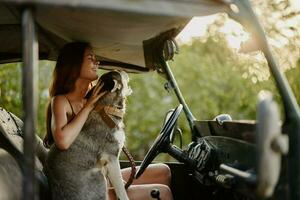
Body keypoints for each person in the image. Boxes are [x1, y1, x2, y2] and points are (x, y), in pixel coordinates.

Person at [43, 42, 173, 200]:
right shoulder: (61, 101)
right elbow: (62, 141)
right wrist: (88, 107)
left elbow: (107, 149)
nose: (97, 62)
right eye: (91, 58)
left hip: (100, 173)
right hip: (83, 188)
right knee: (163, 192)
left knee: (163, 171)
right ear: (75, 64)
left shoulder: (97, 96)